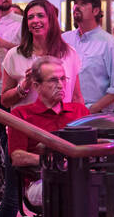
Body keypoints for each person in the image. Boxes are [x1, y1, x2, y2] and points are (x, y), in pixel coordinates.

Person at [0, 0, 84, 217]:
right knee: (10, 200)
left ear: (51, 19)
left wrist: (81, 119)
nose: (35, 21)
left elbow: (77, 94)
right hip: (25, 126)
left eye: (41, 16)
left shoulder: (68, 52)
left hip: (63, 122)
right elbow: (4, 100)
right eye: (30, 16)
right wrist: (24, 87)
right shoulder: (15, 56)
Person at [5, 56, 90, 203]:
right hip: (41, 180)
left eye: (63, 79)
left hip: (81, 177)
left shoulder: (79, 111)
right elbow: (17, 157)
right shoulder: (21, 114)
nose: (60, 85)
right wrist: (54, 162)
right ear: (36, 86)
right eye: (53, 80)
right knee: (72, 187)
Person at [63, 0, 114, 114]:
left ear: (95, 11)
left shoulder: (109, 44)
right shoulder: (64, 40)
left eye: (83, 4)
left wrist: (92, 110)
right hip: (64, 112)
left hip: (95, 117)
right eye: (75, 3)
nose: (76, 7)